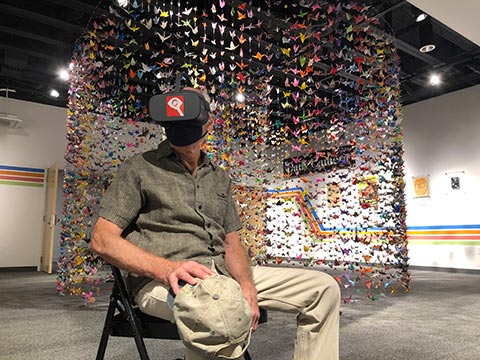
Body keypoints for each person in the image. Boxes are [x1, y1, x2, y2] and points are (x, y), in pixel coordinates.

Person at [90, 86, 340, 360]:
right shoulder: (139, 168)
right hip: (164, 281)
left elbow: (232, 242)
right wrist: (167, 268)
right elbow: (103, 240)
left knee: (323, 289)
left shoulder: (219, 178)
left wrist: (246, 285)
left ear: (209, 122)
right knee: (218, 314)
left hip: (222, 274)